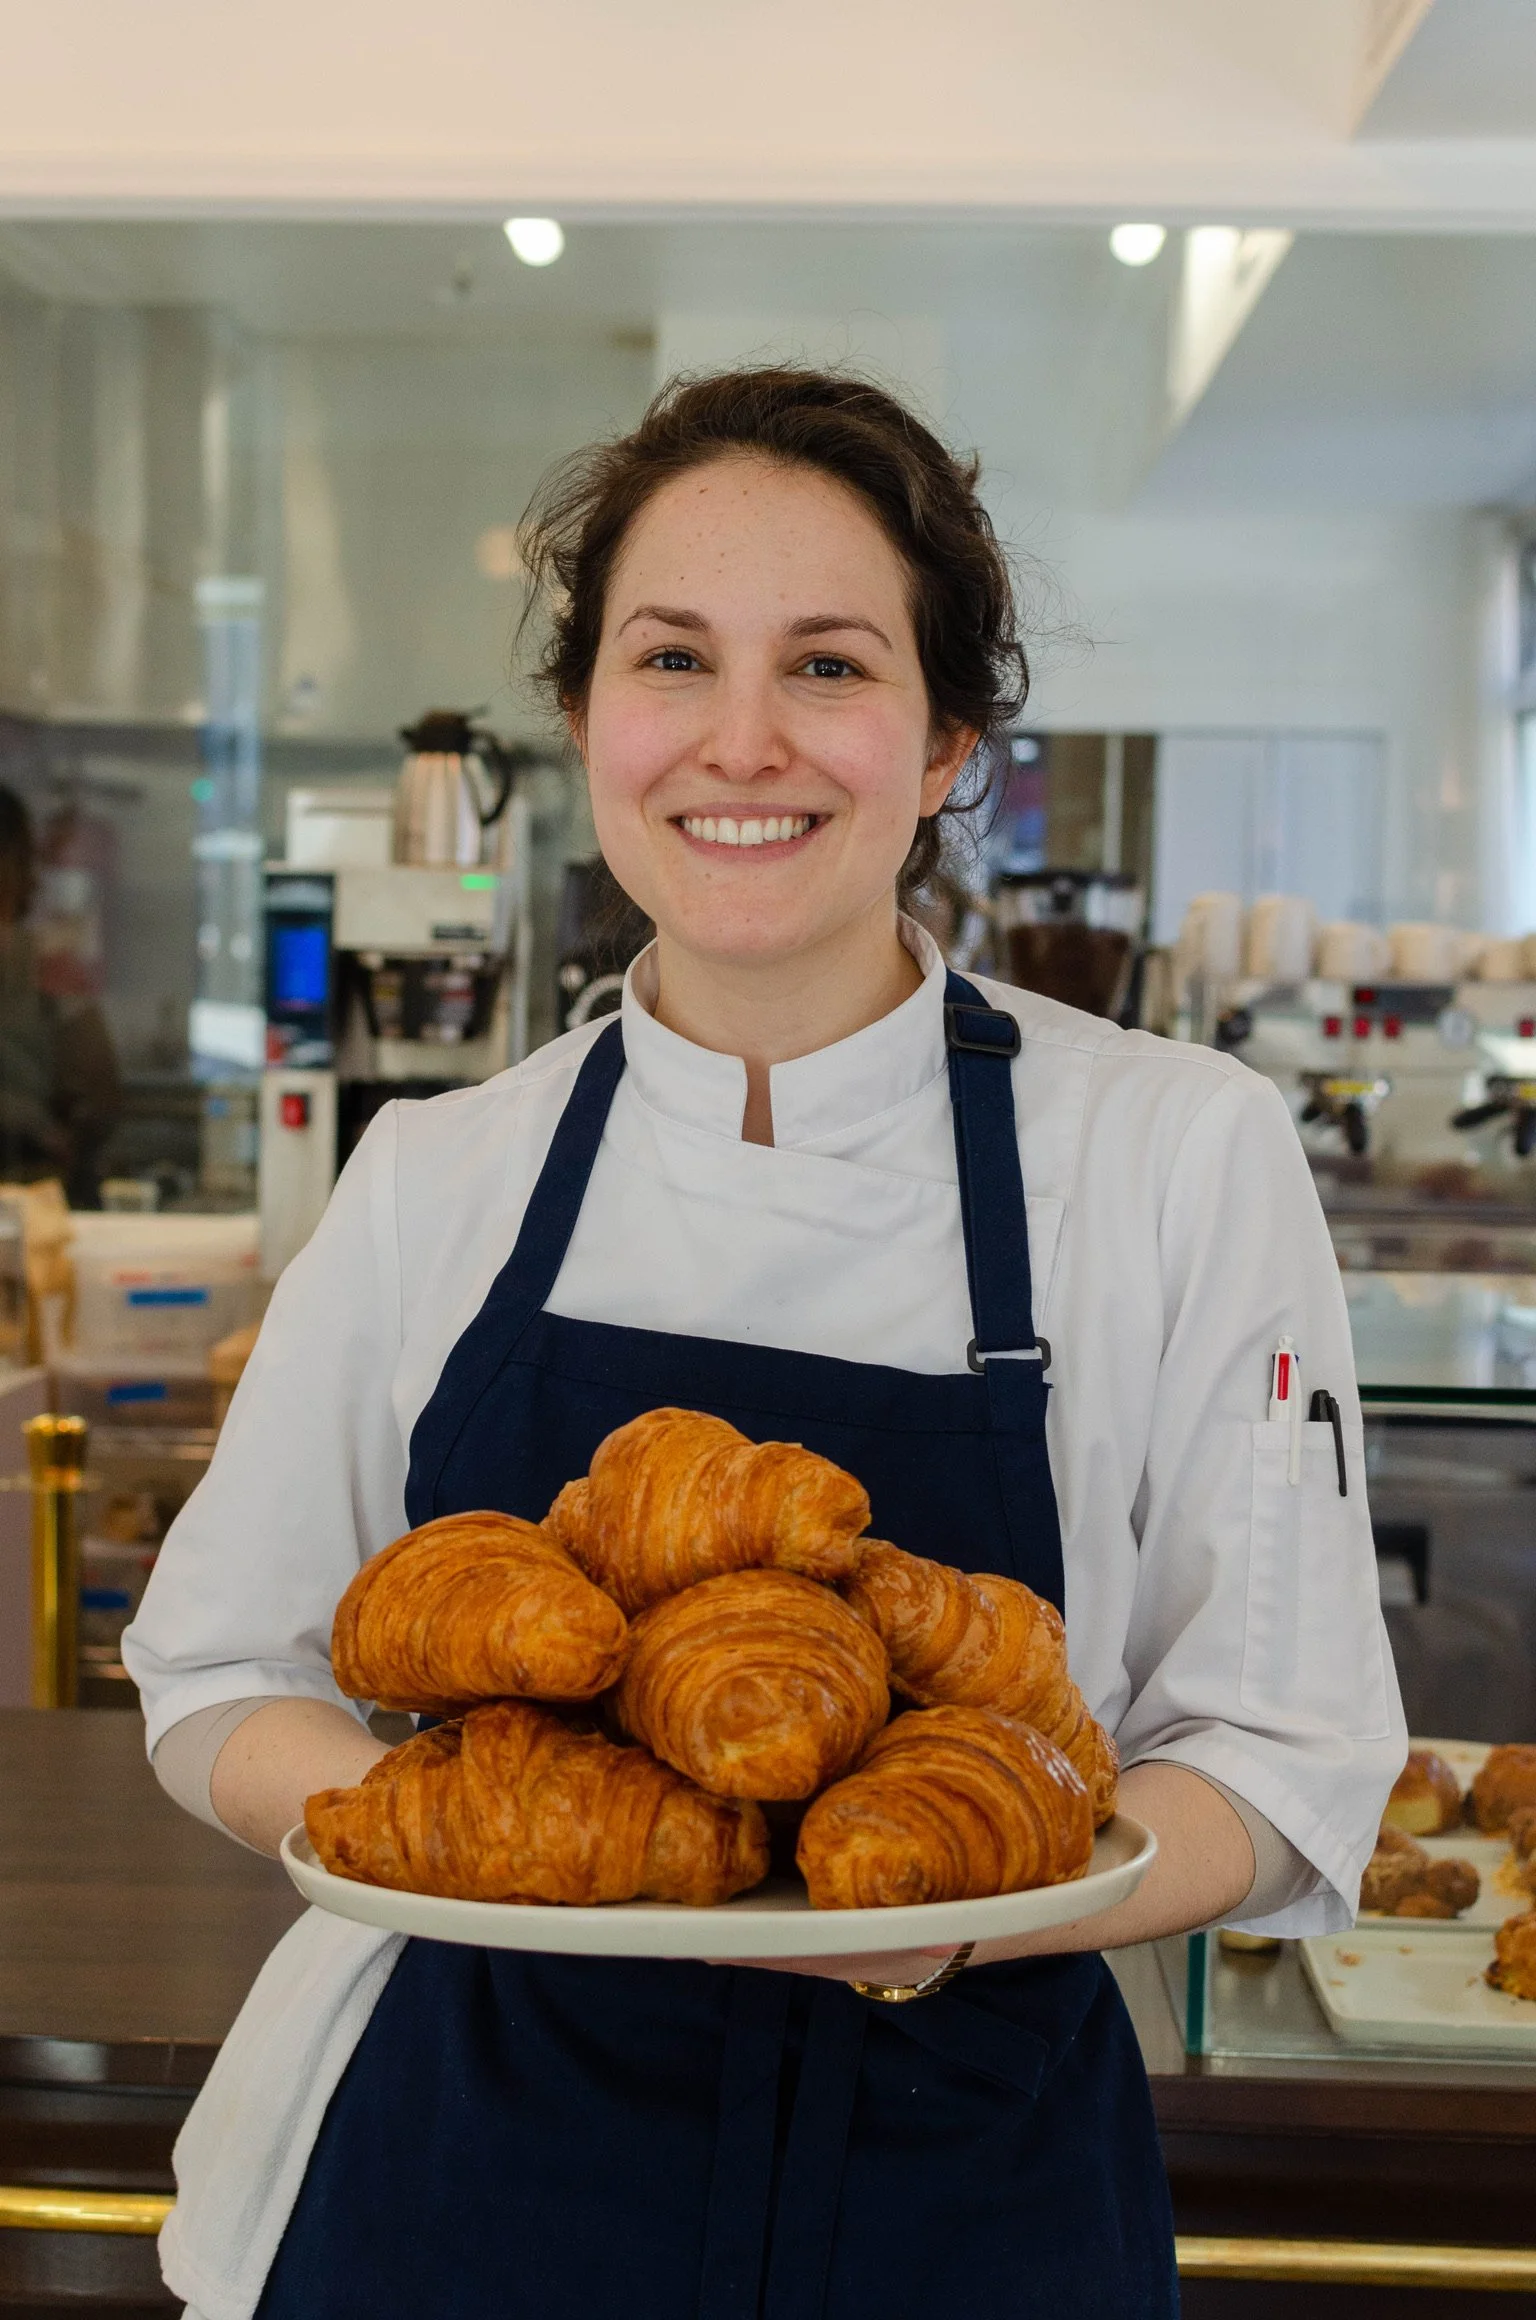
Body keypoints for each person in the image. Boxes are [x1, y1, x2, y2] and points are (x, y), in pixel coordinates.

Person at [123, 369, 1405, 2320]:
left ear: (950, 735)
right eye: (672, 657)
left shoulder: (1174, 1148)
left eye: (827, 662)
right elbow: (220, 1667)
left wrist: (968, 1904)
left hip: (970, 2198)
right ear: (585, 720)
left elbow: (1292, 1751)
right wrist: (463, 1843)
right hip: (451, 2178)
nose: (743, 740)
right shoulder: (436, 1171)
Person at [0, 783, 120, 1205]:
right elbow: (101, 1092)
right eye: (26, 860)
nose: (35, 878)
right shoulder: (44, 958)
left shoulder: (47, 961)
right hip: (33, 1191)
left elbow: (100, 1095)